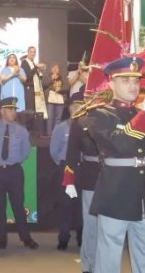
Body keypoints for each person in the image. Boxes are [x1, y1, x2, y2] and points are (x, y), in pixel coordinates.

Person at [87, 56, 145, 273]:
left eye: (136, 81)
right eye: (125, 80)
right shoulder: (99, 114)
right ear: (111, 84)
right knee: (108, 258)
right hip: (116, 192)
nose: (132, 85)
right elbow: (121, 143)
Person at [0, 97, 38, 250]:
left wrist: (12, 163)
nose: (14, 112)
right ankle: (2, 239)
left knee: (18, 206)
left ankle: (26, 237)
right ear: (2, 111)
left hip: (14, 171)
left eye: (15, 109)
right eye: (10, 109)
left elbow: (25, 152)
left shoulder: (21, 130)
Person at [62, 90, 102, 273]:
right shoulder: (80, 121)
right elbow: (72, 152)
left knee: (110, 225)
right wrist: (69, 179)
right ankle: (88, 265)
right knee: (91, 223)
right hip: (91, 174)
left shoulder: (112, 116)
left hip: (115, 174)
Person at [49, 93, 83, 252]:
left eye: (81, 105)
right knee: (65, 205)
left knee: (83, 205)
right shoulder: (61, 128)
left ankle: (82, 237)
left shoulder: (88, 127)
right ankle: (63, 238)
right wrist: (65, 165)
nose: (77, 109)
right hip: (65, 169)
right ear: (69, 108)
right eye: (74, 106)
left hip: (83, 169)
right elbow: (54, 151)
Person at [20, 46, 48, 118]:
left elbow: (38, 80)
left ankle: (35, 128)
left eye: (34, 52)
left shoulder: (33, 63)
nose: (33, 53)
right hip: (29, 90)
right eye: (31, 52)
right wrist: (36, 67)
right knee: (30, 111)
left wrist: (40, 71)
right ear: (28, 53)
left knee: (36, 112)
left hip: (36, 90)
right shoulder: (24, 62)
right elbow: (27, 77)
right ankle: (28, 128)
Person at [44, 63, 68, 135]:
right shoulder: (47, 77)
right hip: (50, 100)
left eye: (56, 68)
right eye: (53, 67)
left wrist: (60, 89)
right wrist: (52, 79)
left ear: (59, 70)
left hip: (60, 100)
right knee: (50, 118)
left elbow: (67, 87)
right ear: (51, 69)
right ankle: (49, 134)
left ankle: (56, 134)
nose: (55, 69)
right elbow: (43, 85)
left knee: (58, 118)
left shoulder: (62, 78)